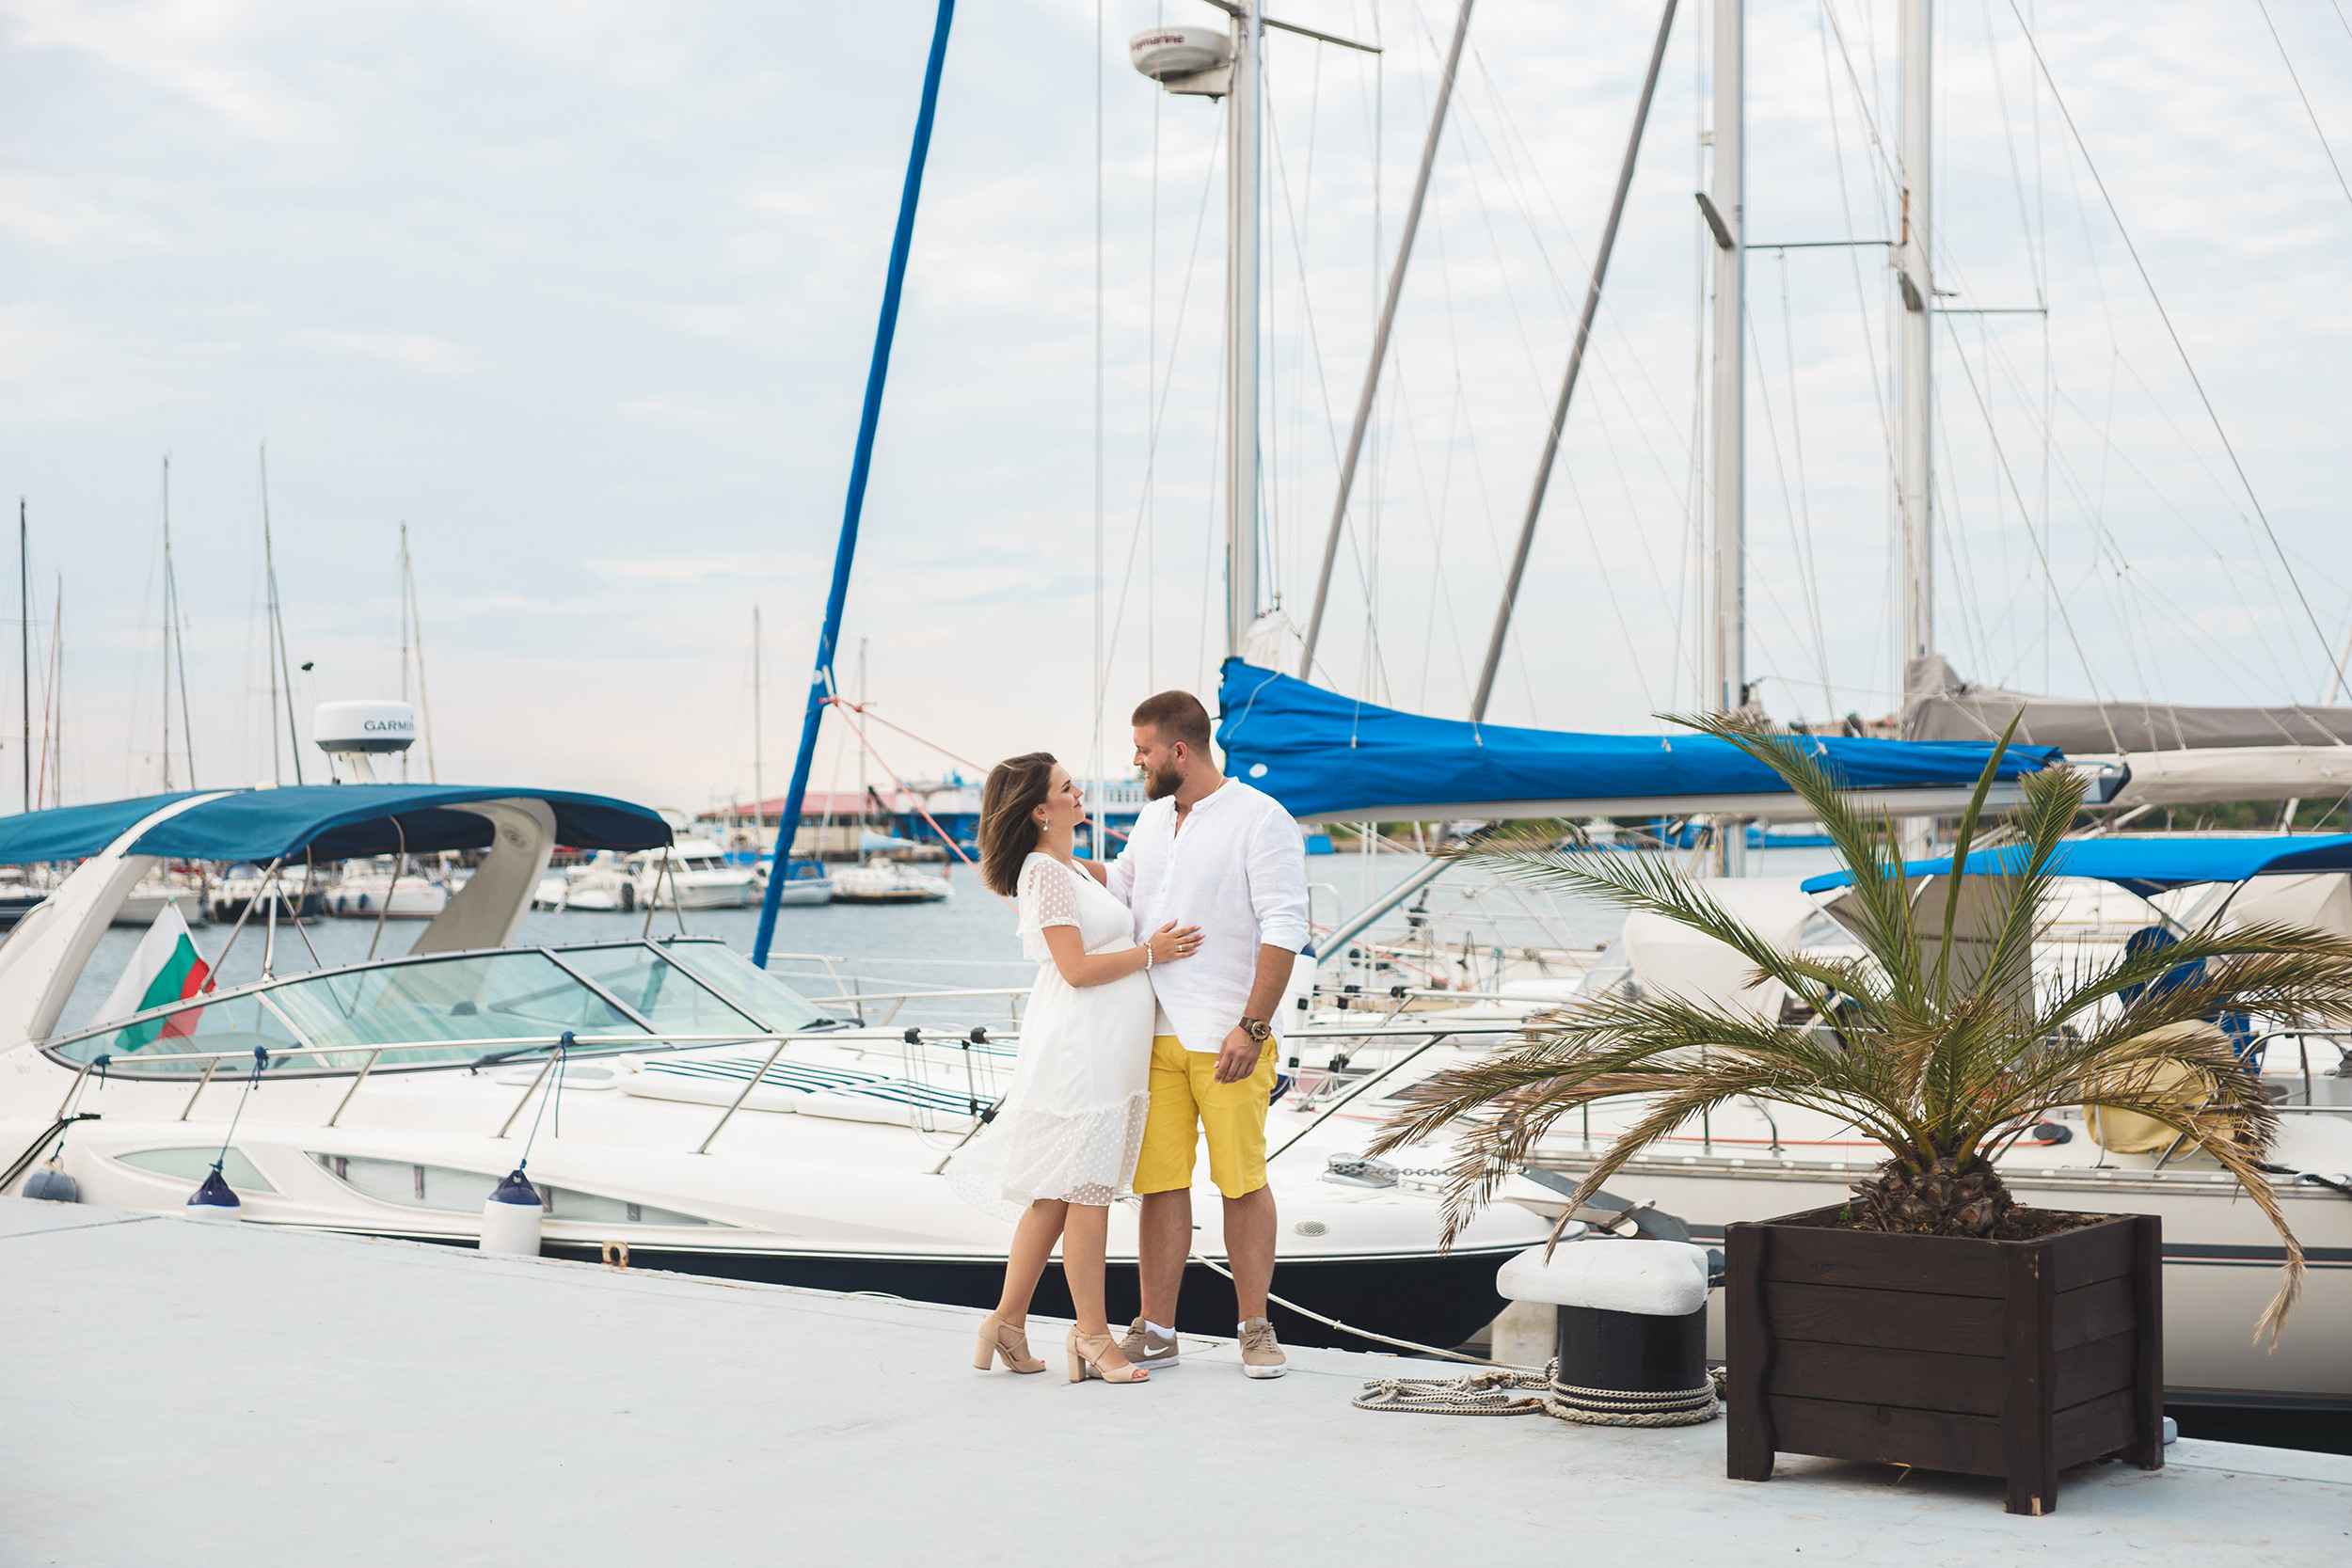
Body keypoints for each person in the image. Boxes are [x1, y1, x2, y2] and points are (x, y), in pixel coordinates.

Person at [959, 752, 1202, 1385]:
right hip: (1080, 1048)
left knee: (1054, 1197)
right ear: (1041, 809)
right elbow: (1075, 967)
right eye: (1068, 787)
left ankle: (1006, 1323)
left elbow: (1144, 877)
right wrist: (1152, 953)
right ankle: (1091, 1335)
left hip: (1104, 1044)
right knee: (1086, 1192)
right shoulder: (1044, 872)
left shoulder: (1070, 867)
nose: (1080, 790)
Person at [1096, 690, 1310, 1379]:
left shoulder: (1260, 818)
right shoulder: (1155, 818)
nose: (1136, 761)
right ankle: (1157, 1329)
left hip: (1228, 1035)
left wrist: (1253, 1026)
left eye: (1144, 749)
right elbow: (1120, 888)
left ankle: (1254, 1327)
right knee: (1159, 1185)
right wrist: (1040, 855)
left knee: (1242, 1183)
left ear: (1178, 751)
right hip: (1152, 1030)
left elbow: (1285, 927)